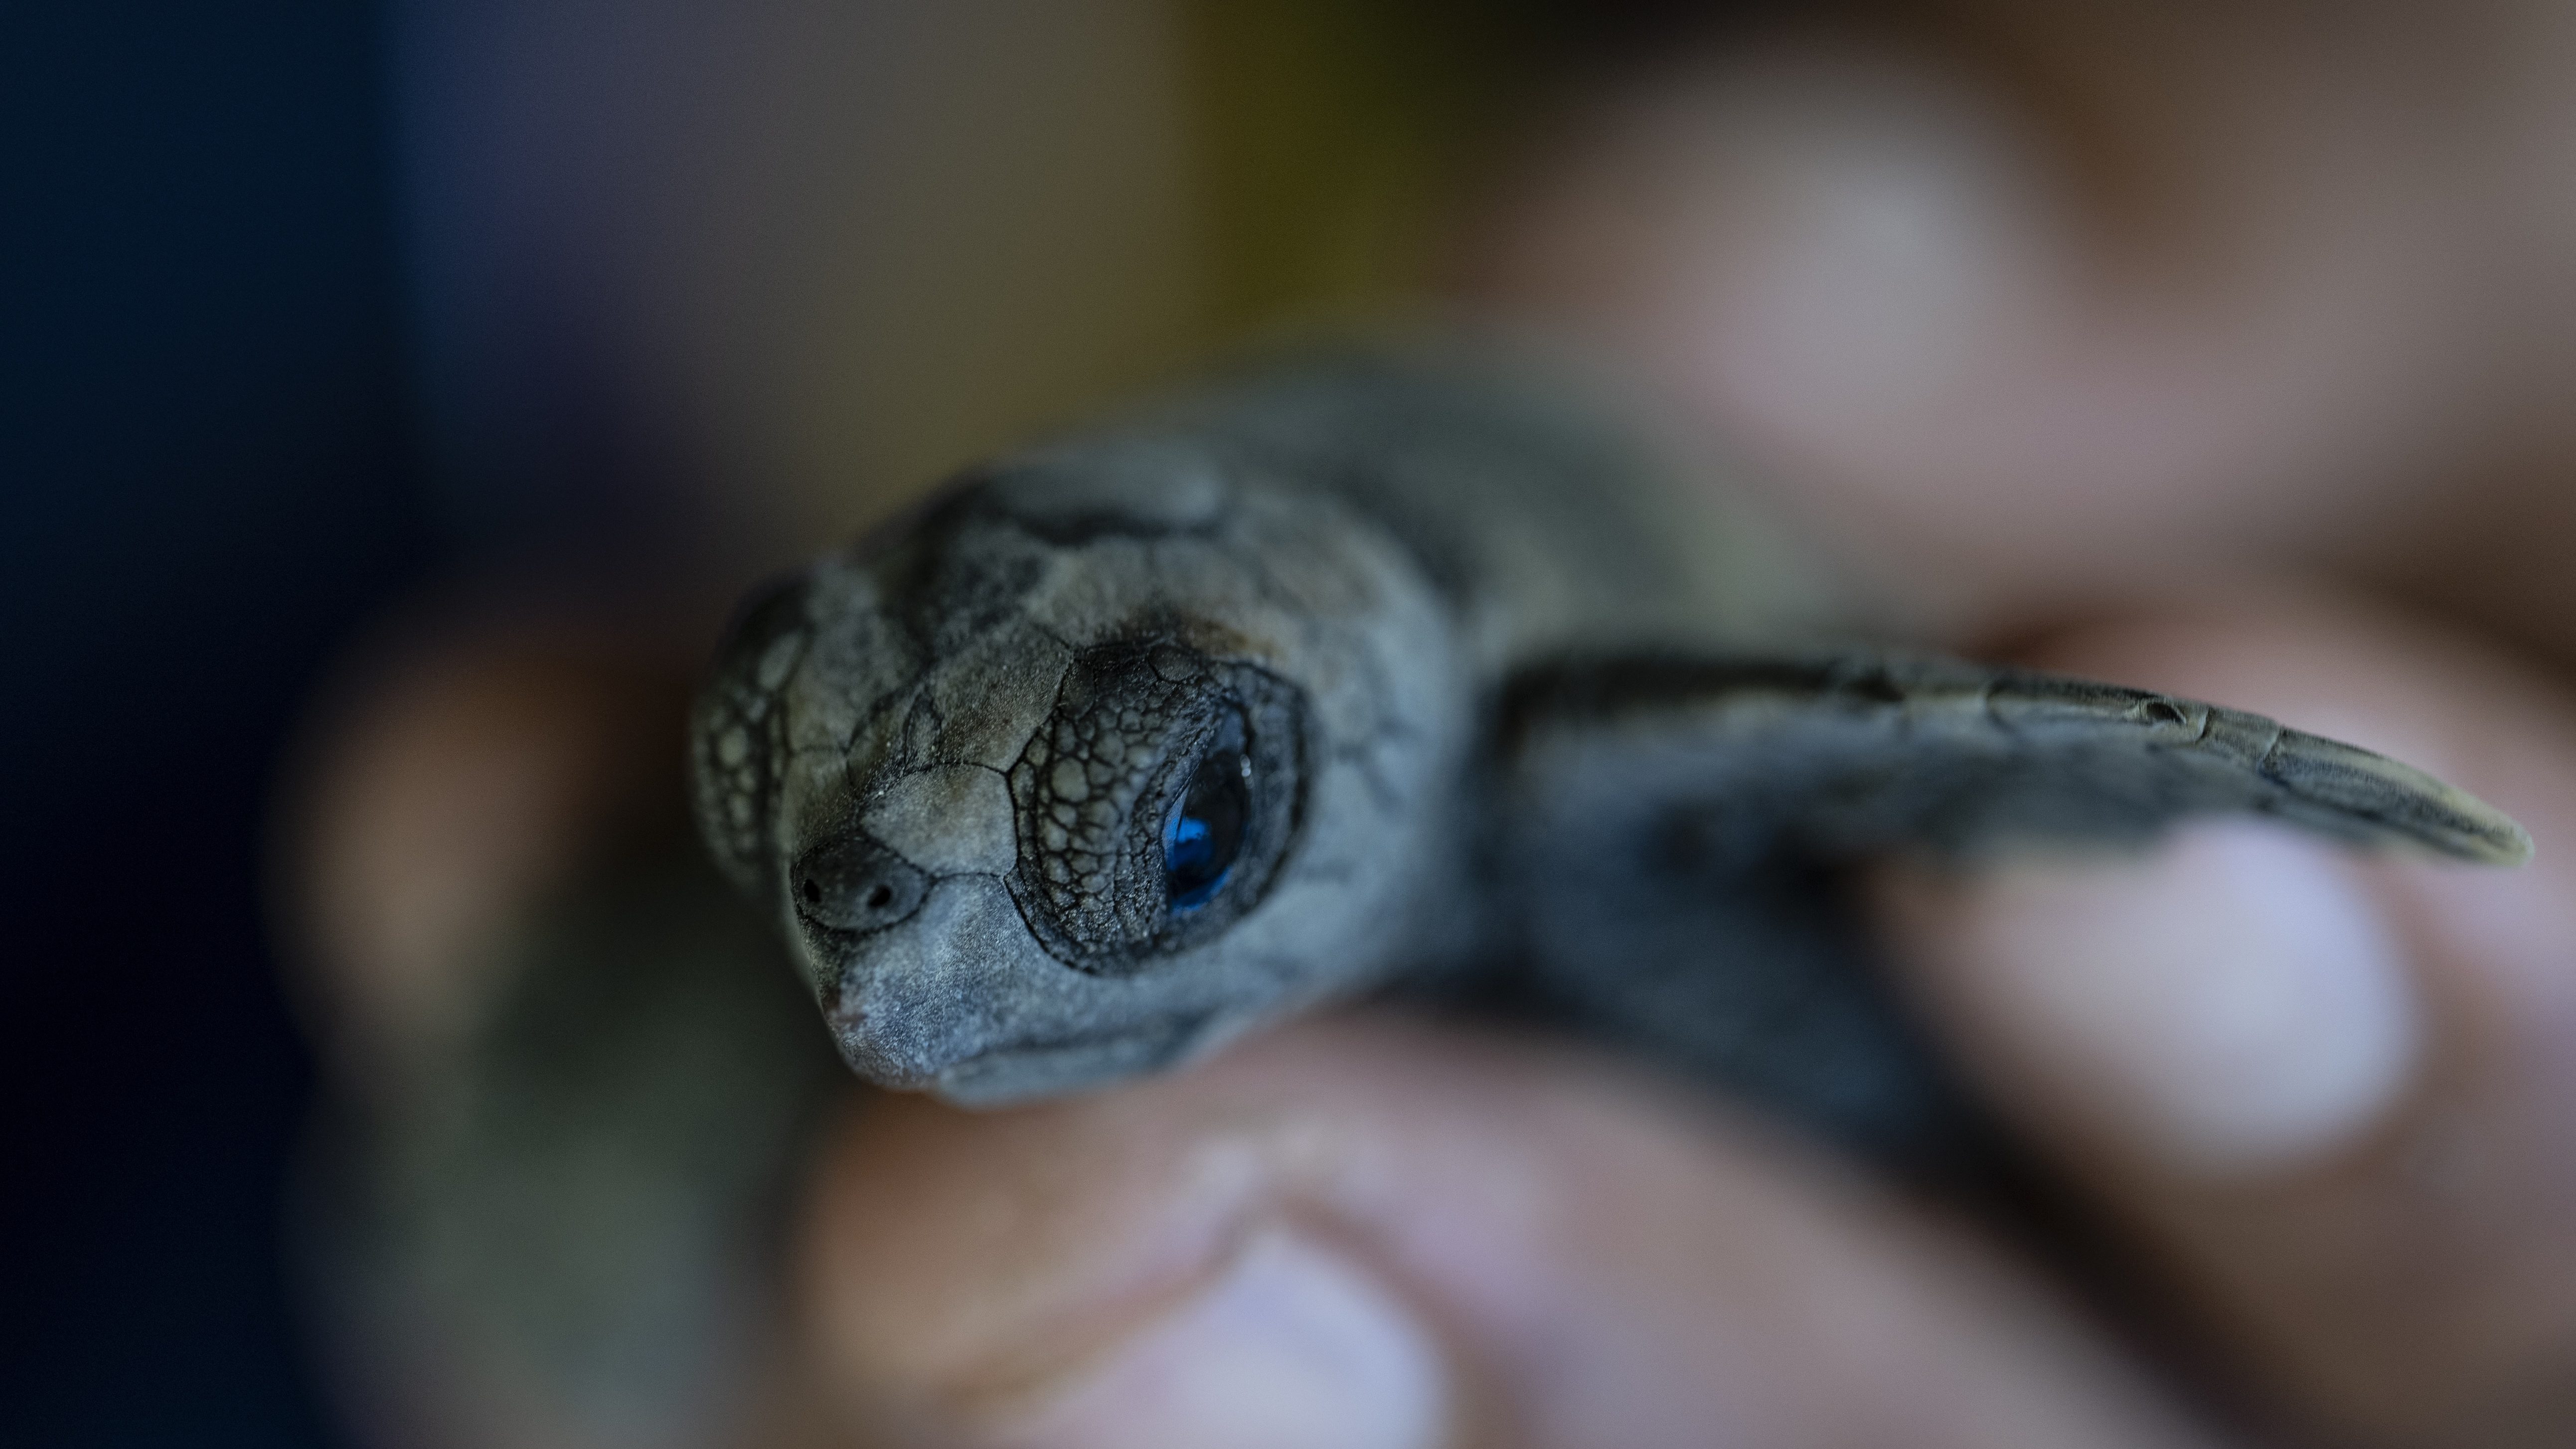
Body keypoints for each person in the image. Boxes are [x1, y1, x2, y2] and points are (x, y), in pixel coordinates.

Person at [301, 6, 2576, 1445]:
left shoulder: (1603, 752)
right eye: (767, 774)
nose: (887, 984)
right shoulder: (896, 861)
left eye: (1166, 843)